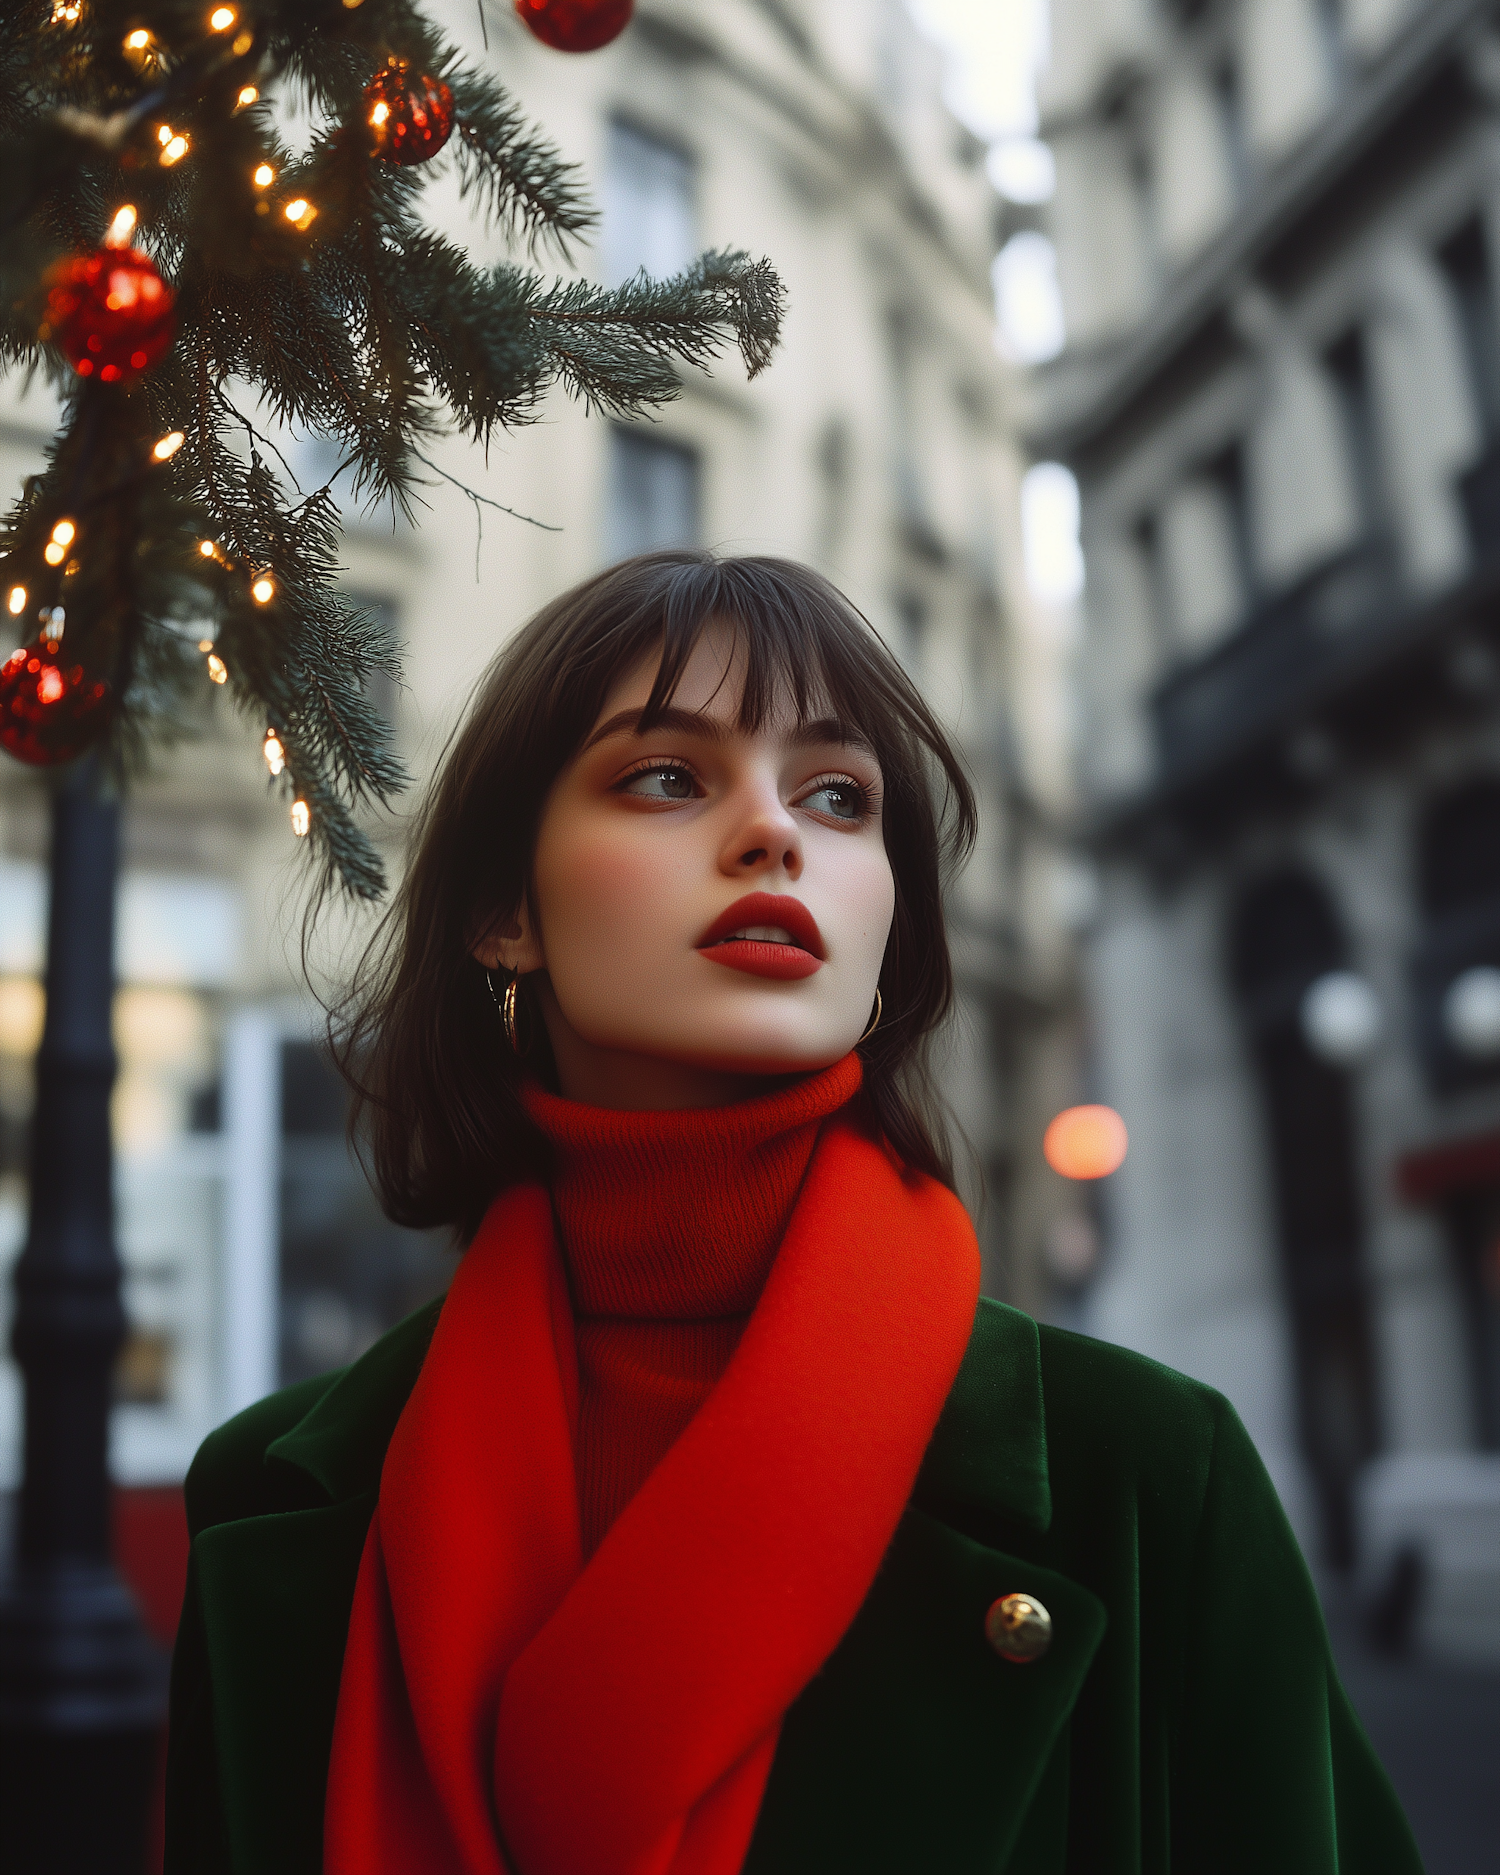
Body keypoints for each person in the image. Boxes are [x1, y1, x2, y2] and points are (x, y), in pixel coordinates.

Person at [164, 552, 1423, 1875]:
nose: (775, 832)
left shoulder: (1151, 1477)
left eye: (838, 795)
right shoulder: (272, 1501)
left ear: (891, 924)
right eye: (666, 774)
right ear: (501, 908)